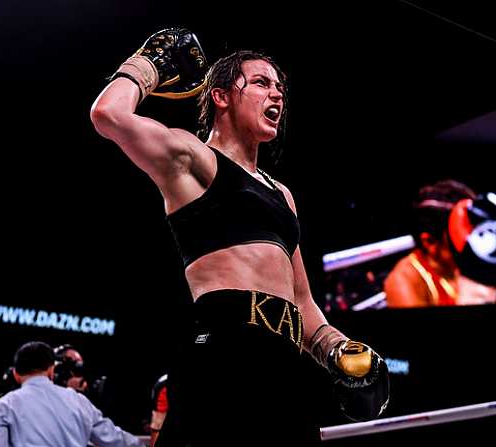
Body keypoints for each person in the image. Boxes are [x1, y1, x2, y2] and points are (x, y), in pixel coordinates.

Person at [89, 28, 389, 446]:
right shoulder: (194, 160)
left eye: (280, 87)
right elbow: (109, 115)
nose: (278, 95)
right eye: (262, 83)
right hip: (226, 347)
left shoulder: (281, 194)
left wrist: (337, 350)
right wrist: (149, 65)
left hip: (285, 362)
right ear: (221, 96)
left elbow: (302, 302)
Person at [0, 341, 143, 447]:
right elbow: (117, 440)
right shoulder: (79, 401)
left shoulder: (4, 406)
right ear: (51, 370)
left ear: (16, 374)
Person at [384, 179, 496, 307]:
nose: (473, 245)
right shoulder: (404, 282)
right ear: (430, 243)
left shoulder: (468, 264)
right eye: (462, 236)